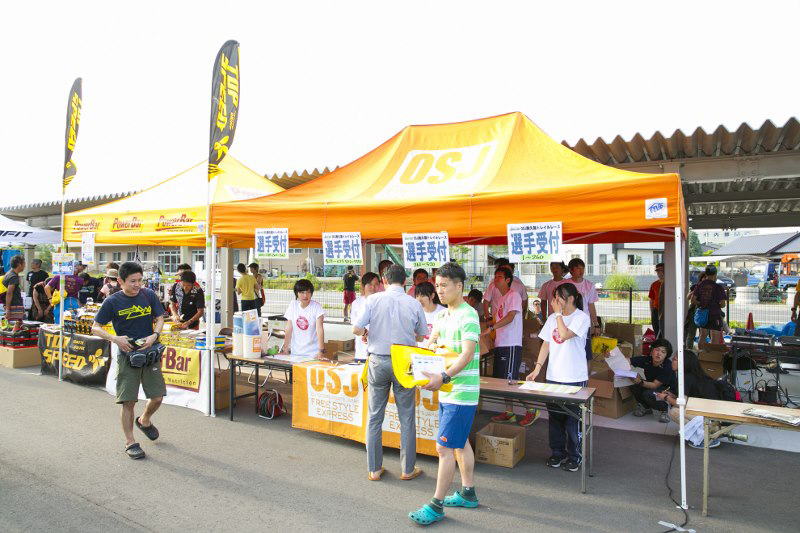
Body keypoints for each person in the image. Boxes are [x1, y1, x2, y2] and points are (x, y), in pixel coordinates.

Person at [408, 262, 481, 526]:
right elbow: (431, 344)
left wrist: (444, 376)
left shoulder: (468, 315)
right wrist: (418, 360)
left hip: (460, 391)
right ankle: (468, 493)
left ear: (459, 286)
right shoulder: (442, 316)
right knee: (460, 444)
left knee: (444, 448)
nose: (439, 290)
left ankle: (436, 505)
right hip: (447, 390)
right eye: (437, 285)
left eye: (444, 285)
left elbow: (468, 354)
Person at [353, 264, 427, 482]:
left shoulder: (373, 300)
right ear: (405, 281)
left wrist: (367, 332)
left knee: (375, 416)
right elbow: (421, 335)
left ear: (384, 280)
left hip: (378, 360)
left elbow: (356, 329)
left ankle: (374, 469)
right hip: (404, 363)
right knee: (407, 417)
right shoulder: (413, 303)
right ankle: (407, 469)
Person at [91, 262, 166, 460]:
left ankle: (144, 420)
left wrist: (155, 335)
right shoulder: (112, 301)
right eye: (133, 281)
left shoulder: (148, 295)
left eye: (140, 280)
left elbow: (160, 317)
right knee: (128, 402)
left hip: (150, 353)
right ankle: (130, 442)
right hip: (127, 356)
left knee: (158, 397)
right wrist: (115, 339)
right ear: (120, 281)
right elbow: (95, 327)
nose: (138, 284)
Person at [526, 282, 590, 472]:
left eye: (558, 297)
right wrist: (537, 368)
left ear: (570, 299)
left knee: (573, 420)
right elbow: (546, 343)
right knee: (555, 418)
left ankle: (575, 456)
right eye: (554, 297)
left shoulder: (581, 318)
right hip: (554, 376)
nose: (554, 301)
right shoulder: (553, 318)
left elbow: (563, 334)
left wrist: (558, 315)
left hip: (574, 377)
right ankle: (557, 453)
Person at [485, 267, 539, 427]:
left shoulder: (513, 295)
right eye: (495, 276)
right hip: (501, 344)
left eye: (500, 277)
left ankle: (532, 409)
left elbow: (510, 317)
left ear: (508, 280)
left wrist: (491, 328)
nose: (496, 279)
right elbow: (501, 319)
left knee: (510, 381)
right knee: (503, 382)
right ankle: (509, 412)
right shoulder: (502, 298)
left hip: (511, 345)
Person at [656, 350, 725, 448]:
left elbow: (681, 404)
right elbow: (690, 398)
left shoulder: (686, 377)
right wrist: (673, 396)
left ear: (683, 363)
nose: (672, 361)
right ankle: (704, 432)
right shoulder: (694, 375)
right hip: (713, 414)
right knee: (676, 409)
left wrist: (666, 397)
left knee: (674, 411)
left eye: (675, 359)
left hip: (711, 418)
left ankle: (705, 437)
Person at [628, 338, 675, 423]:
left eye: (663, 352)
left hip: (667, 390)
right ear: (652, 350)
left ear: (666, 355)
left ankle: (665, 410)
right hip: (652, 387)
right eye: (657, 350)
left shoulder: (668, 366)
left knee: (648, 394)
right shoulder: (648, 359)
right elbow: (628, 360)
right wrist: (611, 356)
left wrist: (640, 381)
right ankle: (646, 407)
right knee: (634, 387)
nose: (659, 353)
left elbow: (654, 385)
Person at [565, 258, 599, 363]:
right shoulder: (565, 284)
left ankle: (586, 373)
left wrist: (596, 325)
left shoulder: (589, 285)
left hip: (584, 324)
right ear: (571, 270)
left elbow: (591, 306)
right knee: (568, 353)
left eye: (582, 268)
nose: (581, 271)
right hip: (567, 323)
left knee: (586, 354)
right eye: (578, 268)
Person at [281, 278, 325, 357]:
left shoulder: (316, 307)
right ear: (296, 293)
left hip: (313, 353)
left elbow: (319, 329)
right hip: (295, 352)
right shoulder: (293, 305)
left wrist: (321, 351)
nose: (305, 295)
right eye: (302, 292)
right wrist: (285, 348)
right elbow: (289, 328)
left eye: (308, 292)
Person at [692, 265, 727, 349]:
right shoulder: (718, 287)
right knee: (715, 338)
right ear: (715, 274)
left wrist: (702, 303)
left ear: (706, 274)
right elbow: (723, 304)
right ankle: (711, 355)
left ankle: (701, 354)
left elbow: (693, 300)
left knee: (702, 336)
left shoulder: (699, 285)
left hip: (704, 315)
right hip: (715, 315)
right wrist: (715, 305)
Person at [351, 272, 380, 362]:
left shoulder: (382, 303)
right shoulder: (357, 303)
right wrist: (365, 333)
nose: (373, 287)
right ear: (363, 286)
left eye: (376, 284)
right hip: (362, 352)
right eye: (370, 284)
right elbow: (355, 327)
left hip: (379, 353)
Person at [415, 281, 445, 348]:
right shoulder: (415, 313)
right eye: (417, 296)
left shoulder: (443, 312)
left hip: (438, 351)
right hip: (419, 351)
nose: (419, 299)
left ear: (432, 295)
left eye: (423, 296)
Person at [1, 255, 26, 328]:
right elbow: (9, 293)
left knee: (10, 327)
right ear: (19, 264)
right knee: (17, 328)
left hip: (10, 305)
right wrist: (8, 309)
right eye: (24, 263)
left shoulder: (8, 274)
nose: (24, 266)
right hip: (14, 307)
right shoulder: (13, 277)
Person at [648, 263, 664, 338]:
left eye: (661, 270)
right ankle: (658, 343)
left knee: (664, 331)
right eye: (658, 271)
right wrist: (652, 312)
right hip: (656, 311)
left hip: (665, 311)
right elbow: (651, 299)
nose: (659, 273)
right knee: (656, 330)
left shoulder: (670, 284)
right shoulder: (654, 284)